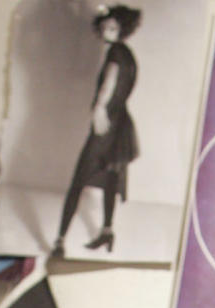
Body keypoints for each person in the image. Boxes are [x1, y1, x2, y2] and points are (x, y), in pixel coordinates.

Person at [50, 6, 141, 258]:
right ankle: (107, 231)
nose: (106, 32)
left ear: (122, 29)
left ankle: (59, 242)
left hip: (107, 122)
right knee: (110, 177)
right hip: (120, 123)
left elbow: (110, 81)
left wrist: (99, 108)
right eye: (104, 28)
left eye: (111, 28)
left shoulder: (114, 53)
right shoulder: (129, 55)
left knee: (78, 180)